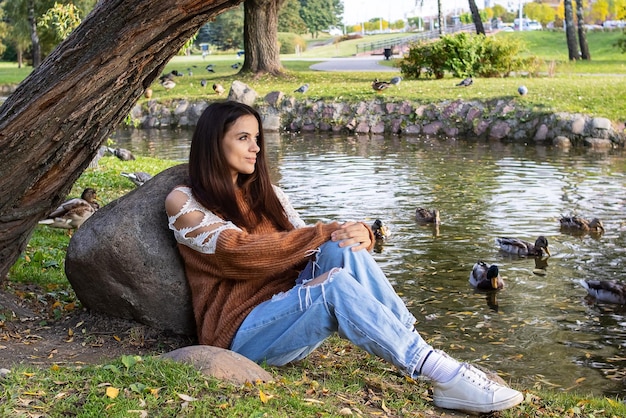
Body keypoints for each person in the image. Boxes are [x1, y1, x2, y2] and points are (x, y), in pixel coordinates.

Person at [165, 101, 524, 414]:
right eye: (244, 138)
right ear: (214, 142)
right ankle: (442, 373)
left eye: (257, 138)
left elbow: (317, 247)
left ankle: (423, 351)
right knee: (332, 278)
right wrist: (324, 231)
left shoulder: (268, 194)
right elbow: (237, 253)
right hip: (241, 337)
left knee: (340, 247)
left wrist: (361, 234)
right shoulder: (184, 201)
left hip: (292, 315)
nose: (256, 148)